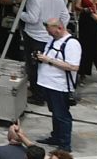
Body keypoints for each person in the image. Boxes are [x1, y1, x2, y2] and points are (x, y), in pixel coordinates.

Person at [33, 16, 83, 149]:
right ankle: (56, 137)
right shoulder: (52, 40)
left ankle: (65, 144)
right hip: (48, 83)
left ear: (60, 28)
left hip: (59, 86)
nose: (49, 34)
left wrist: (48, 60)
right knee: (55, 113)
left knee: (62, 115)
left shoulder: (72, 44)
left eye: (51, 31)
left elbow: (73, 66)